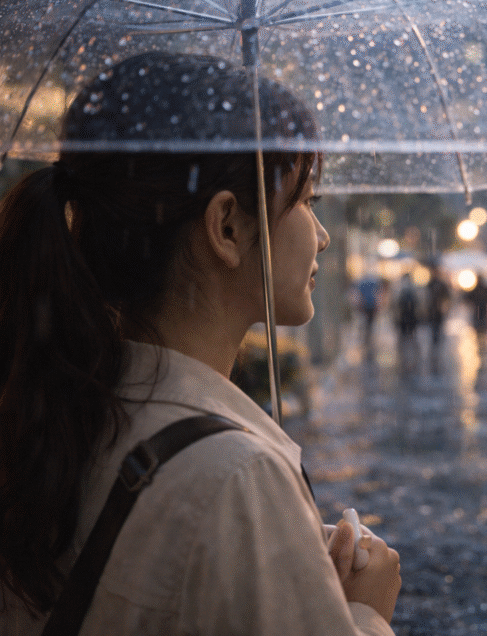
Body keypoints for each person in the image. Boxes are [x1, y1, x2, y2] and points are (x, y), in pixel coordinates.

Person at [0, 52, 400, 635]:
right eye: (308, 201)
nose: (323, 236)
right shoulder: (238, 476)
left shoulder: (59, 408)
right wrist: (364, 611)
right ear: (228, 228)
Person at [423, 263, 452, 357]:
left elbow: (447, 297)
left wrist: (445, 306)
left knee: (438, 328)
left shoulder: (441, 284)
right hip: (432, 311)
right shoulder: (429, 284)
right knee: (433, 328)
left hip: (438, 311)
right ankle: (435, 342)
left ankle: (437, 342)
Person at [394, 273, 420, 371]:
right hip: (407, 317)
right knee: (408, 335)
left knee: (406, 335)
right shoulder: (410, 290)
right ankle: (407, 352)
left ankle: (406, 352)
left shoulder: (402, 290)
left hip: (406, 317)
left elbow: (397, 304)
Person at [464, 272, 487, 354]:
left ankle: (481, 344)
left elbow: (467, 299)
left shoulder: (476, 289)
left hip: (479, 313)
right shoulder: (484, 289)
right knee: (482, 329)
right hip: (482, 312)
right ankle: (482, 344)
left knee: (479, 329)